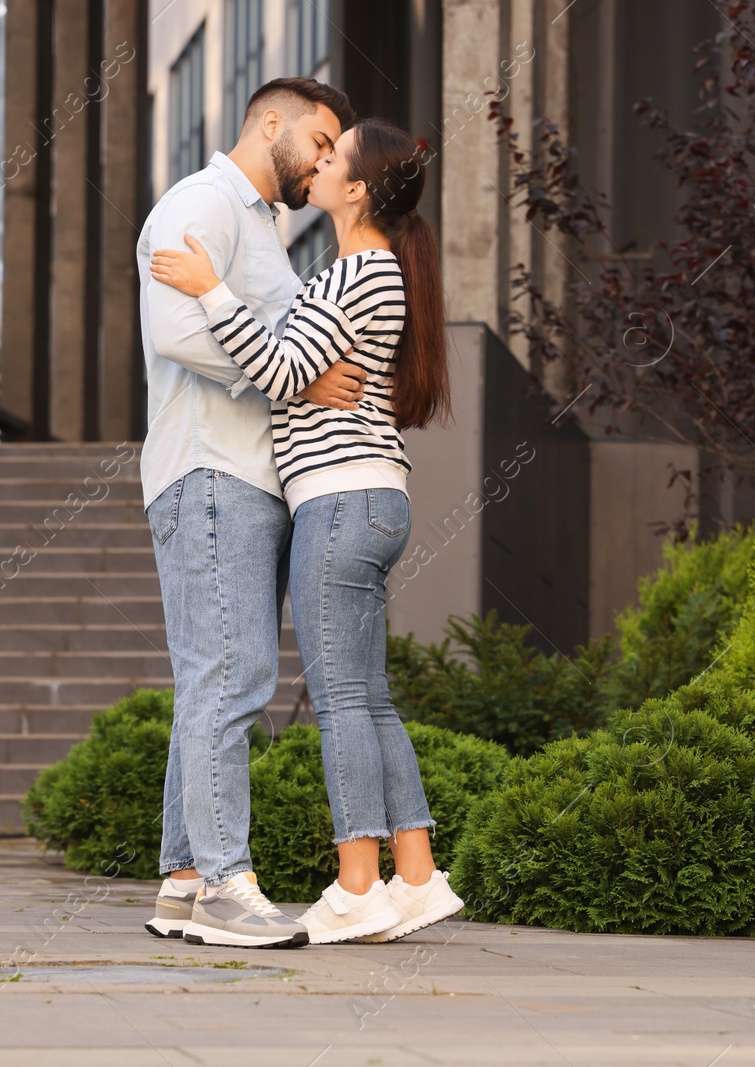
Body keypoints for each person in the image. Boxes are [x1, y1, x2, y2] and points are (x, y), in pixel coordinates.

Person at [150, 117, 466, 944]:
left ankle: (357, 888)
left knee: (344, 702)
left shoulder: (360, 272)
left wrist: (210, 286)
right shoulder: (366, 269)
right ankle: (419, 876)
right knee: (371, 697)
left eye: (336, 155)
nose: (321, 163)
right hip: (365, 498)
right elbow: (301, 369)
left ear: (357, 189)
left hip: (338, 499)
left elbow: (286, 372)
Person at [137, 77, 365, 949]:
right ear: (271, 122)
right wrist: (294, 372)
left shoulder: (265, 226)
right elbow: (179, 334)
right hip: (211, 471)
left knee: (214, 675)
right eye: (318, 139)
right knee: (229, 678)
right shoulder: (201, 202)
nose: (322, 159)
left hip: (244, 477)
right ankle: (230, 885)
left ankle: (187, 876)